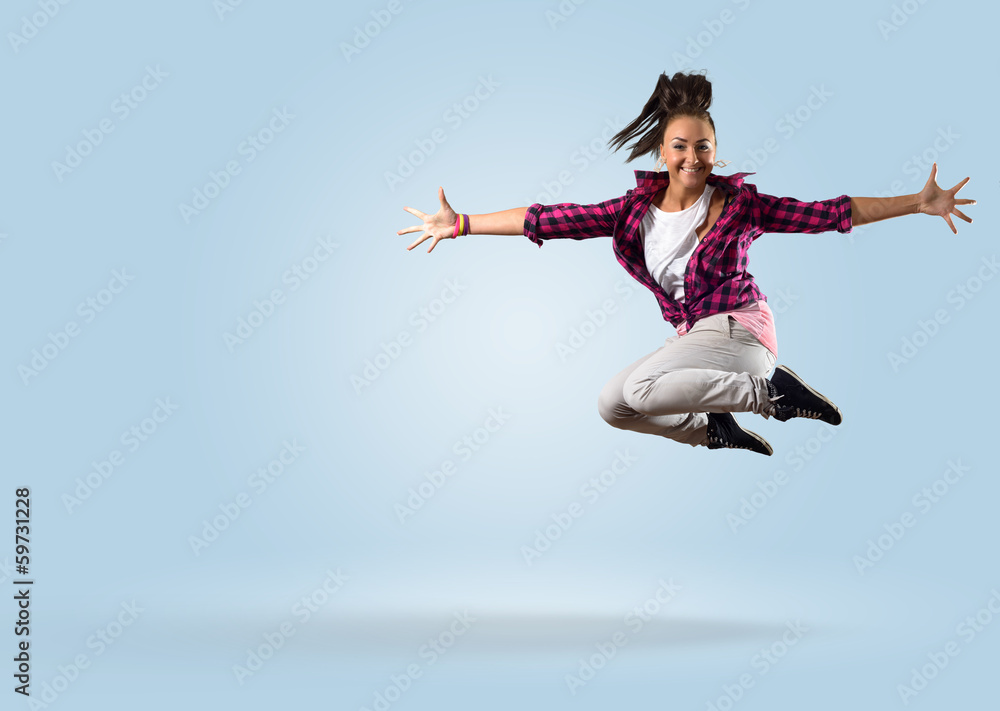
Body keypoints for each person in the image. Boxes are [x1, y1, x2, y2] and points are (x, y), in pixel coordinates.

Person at [396, 70, 975, 456]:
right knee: (613, 406)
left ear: (714, 151)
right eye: (681, 145)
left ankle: (770, 392)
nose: (693, 156)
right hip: (698, 339)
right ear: (662, 151)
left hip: (740, 331)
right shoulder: (631, 212)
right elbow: (547, 218)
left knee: (643, 389)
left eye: (703, 146)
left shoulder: (741, 204)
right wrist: (463, 223)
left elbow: (829, 212)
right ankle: (712, 427)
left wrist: (914, 203)